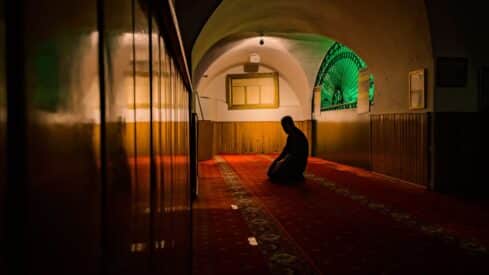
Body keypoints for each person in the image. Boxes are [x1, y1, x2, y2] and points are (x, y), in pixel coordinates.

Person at [267, 116, 308, 182]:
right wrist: (276, 161)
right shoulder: (291, 136)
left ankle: (295, 175)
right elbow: (285, 151)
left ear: (288, 125)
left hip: (298, 164)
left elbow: (295, 156)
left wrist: (282, 163)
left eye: (284, 127)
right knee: (271, 172)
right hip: (292, 161)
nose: (284, 129)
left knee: (275, 176)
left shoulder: (297, 136)